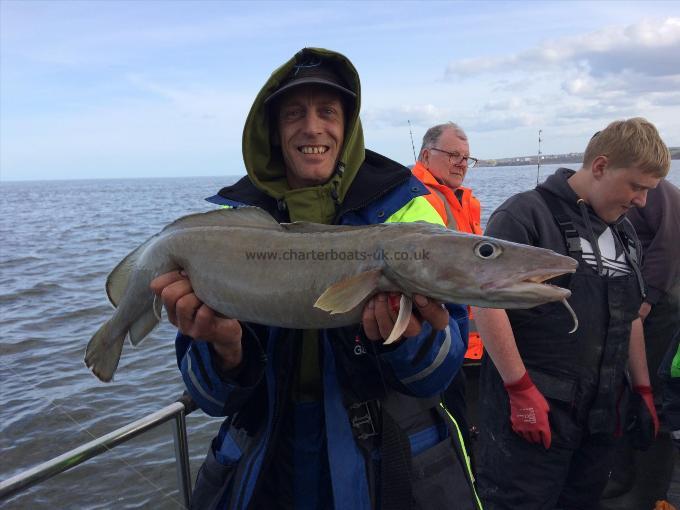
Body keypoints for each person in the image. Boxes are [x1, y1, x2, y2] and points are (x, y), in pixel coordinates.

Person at [150, 48, 480, 510]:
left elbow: (439, 375)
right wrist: (224, 349)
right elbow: (211, 398)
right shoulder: (227, 227)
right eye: (293, 114)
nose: (312, 127)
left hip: (384, 460)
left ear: (348, 126)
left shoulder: (410, 210)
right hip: (267, 458)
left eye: (328, 111)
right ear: (273, 130)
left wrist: (410, 339)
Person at [473, 117, 670, 510]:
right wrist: (519, 389)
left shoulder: (626, 234)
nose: (642, 201)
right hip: (534, 417)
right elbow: (486, 302)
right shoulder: (524, 215)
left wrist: (643, 389)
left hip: (600, 418)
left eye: (650, 191)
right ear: (600, 167)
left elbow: (631, 316)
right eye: (636, 186)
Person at [600, 178, 680, 509]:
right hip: (629, 312)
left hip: (660, 311)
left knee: (654, 400)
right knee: (625, 393)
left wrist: (647, 299)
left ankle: (646, 492)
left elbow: (670, 245)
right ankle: (620, 479)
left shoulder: (658, 191)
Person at [411, 122, 484, 450]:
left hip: (472, 345)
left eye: (467, 158)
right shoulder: (417, 199)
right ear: (426, 155)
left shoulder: (466, 202)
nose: (461, 163)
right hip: (443, 342)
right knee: (452, 434)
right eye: (453, 155)